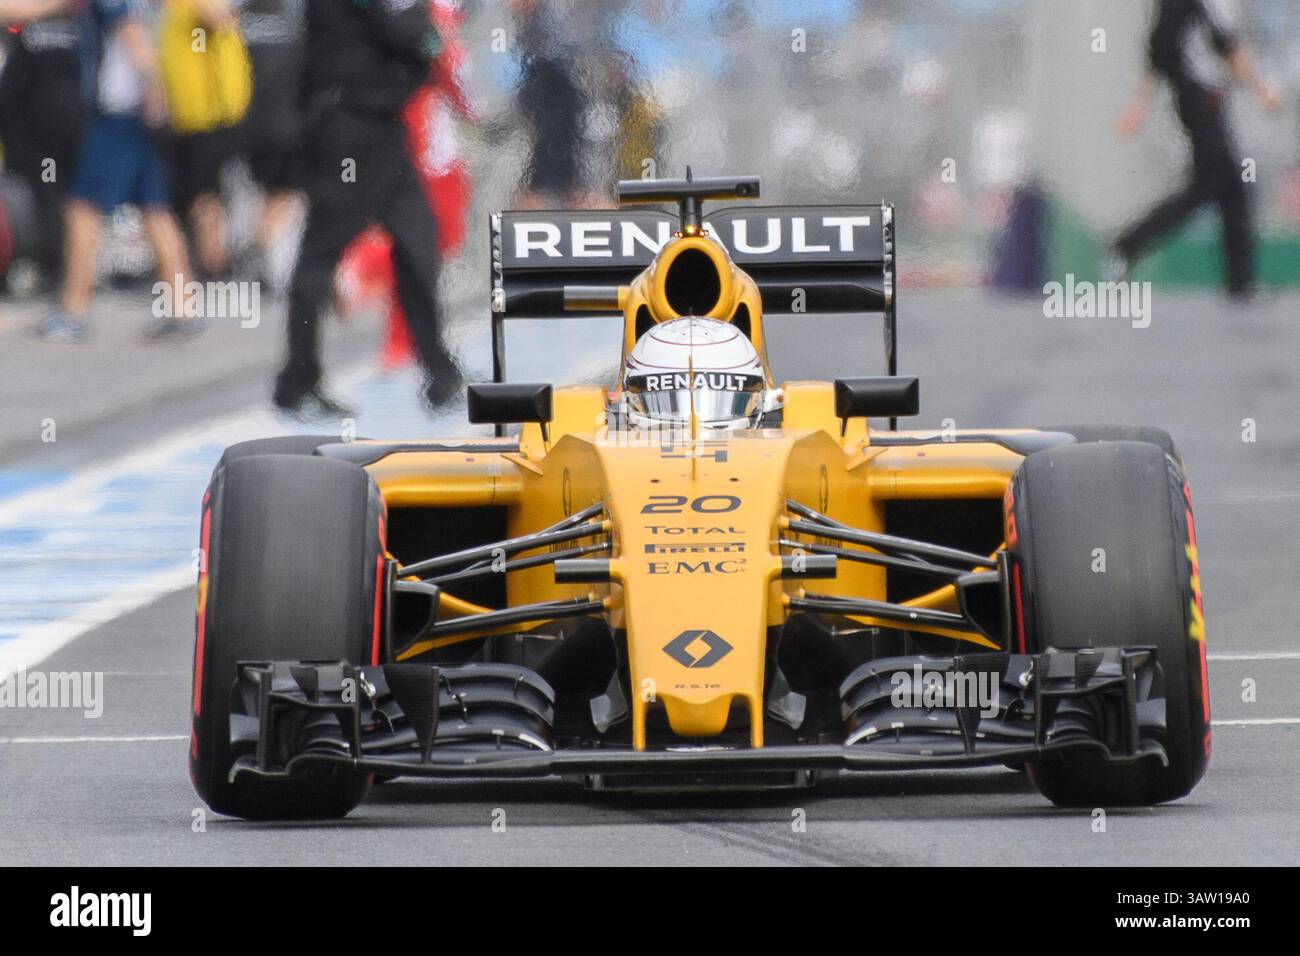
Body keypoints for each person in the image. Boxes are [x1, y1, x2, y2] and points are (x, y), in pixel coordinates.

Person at [275, 0, 460, 419]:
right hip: (349, 126)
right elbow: (412, 32)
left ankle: (440, 372)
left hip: (381, 127)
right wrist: (434, 37)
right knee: (321, 253)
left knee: (419, 242)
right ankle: (298, 381)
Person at [23, 0, 196, 342]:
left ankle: (73, 311)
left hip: (119, 116)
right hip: (137, 117)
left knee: (83, 210)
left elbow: (135, 38)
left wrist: (154, 100)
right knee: (154, 208)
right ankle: (183, 306)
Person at [1112, 0, 1281, 299]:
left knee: (1230, 189)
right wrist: (1261, 91)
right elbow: (1205, 46)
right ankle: (1125, 246)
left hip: (1206, 101)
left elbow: (1214, 45)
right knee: (1209, 186)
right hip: (1198, 99)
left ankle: (1240, 282)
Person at [0, 0, 85, 289]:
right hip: (39, 121)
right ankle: (60, 266)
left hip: (63, 120)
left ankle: (61, 268)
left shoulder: (82, 15)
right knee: (52, 193)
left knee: (63, 195)